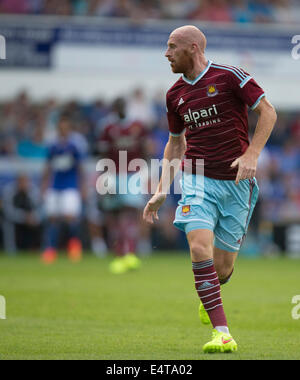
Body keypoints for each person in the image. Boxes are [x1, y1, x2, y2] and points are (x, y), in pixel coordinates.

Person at [143, 25, 277, 353]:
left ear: (193, 48)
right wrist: (163, 188)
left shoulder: (231, 77)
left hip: (236, 185)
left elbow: (268, 112)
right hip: (197, 178)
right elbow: (175, 145)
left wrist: (252, 153)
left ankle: (210, 293)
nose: (166, 53)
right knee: (199, 247)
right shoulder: (174, 94)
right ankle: (222, 333)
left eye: (172, 46)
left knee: (223, 270)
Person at [97, 97, 149, 274]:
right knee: (115, 215)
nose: (120, 108)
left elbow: (145, 150)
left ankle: (131, 252)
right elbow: (102, 153)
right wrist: (104, 176)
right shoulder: (108, 128)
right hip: (113, 174)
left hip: (133, 174)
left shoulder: (137, 127)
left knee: (131, 212)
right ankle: (119, 253)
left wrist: (145, 172)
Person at [41, 114, 86, 264]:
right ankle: (50, 249)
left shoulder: (74, 146)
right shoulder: (53, 146)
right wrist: (44, 186)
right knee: (52, 218)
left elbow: (80, 168)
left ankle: (74, 246)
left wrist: (83, 187)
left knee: (70, 217)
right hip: (55, 185)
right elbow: (47, 167)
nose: (63, 129)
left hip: (70, 186)